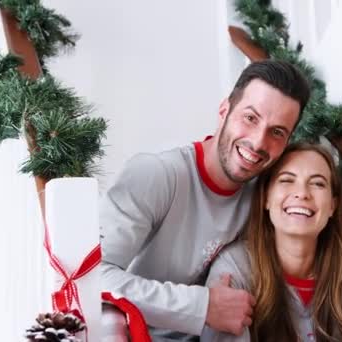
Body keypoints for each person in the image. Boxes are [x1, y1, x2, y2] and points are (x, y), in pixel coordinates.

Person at [100, 60, 311, 340]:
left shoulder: (266, 197)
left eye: (277, 132)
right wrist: (202, 306)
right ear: (224, 111)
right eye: (250, 118)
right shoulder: (157, 175)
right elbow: (90, 278)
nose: (259, 142)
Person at [200, 143, 342, 342]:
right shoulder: (234, 269)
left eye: (317, 183)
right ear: (266, 198)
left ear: (332, 205)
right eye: (287, 180)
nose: (302, 193)